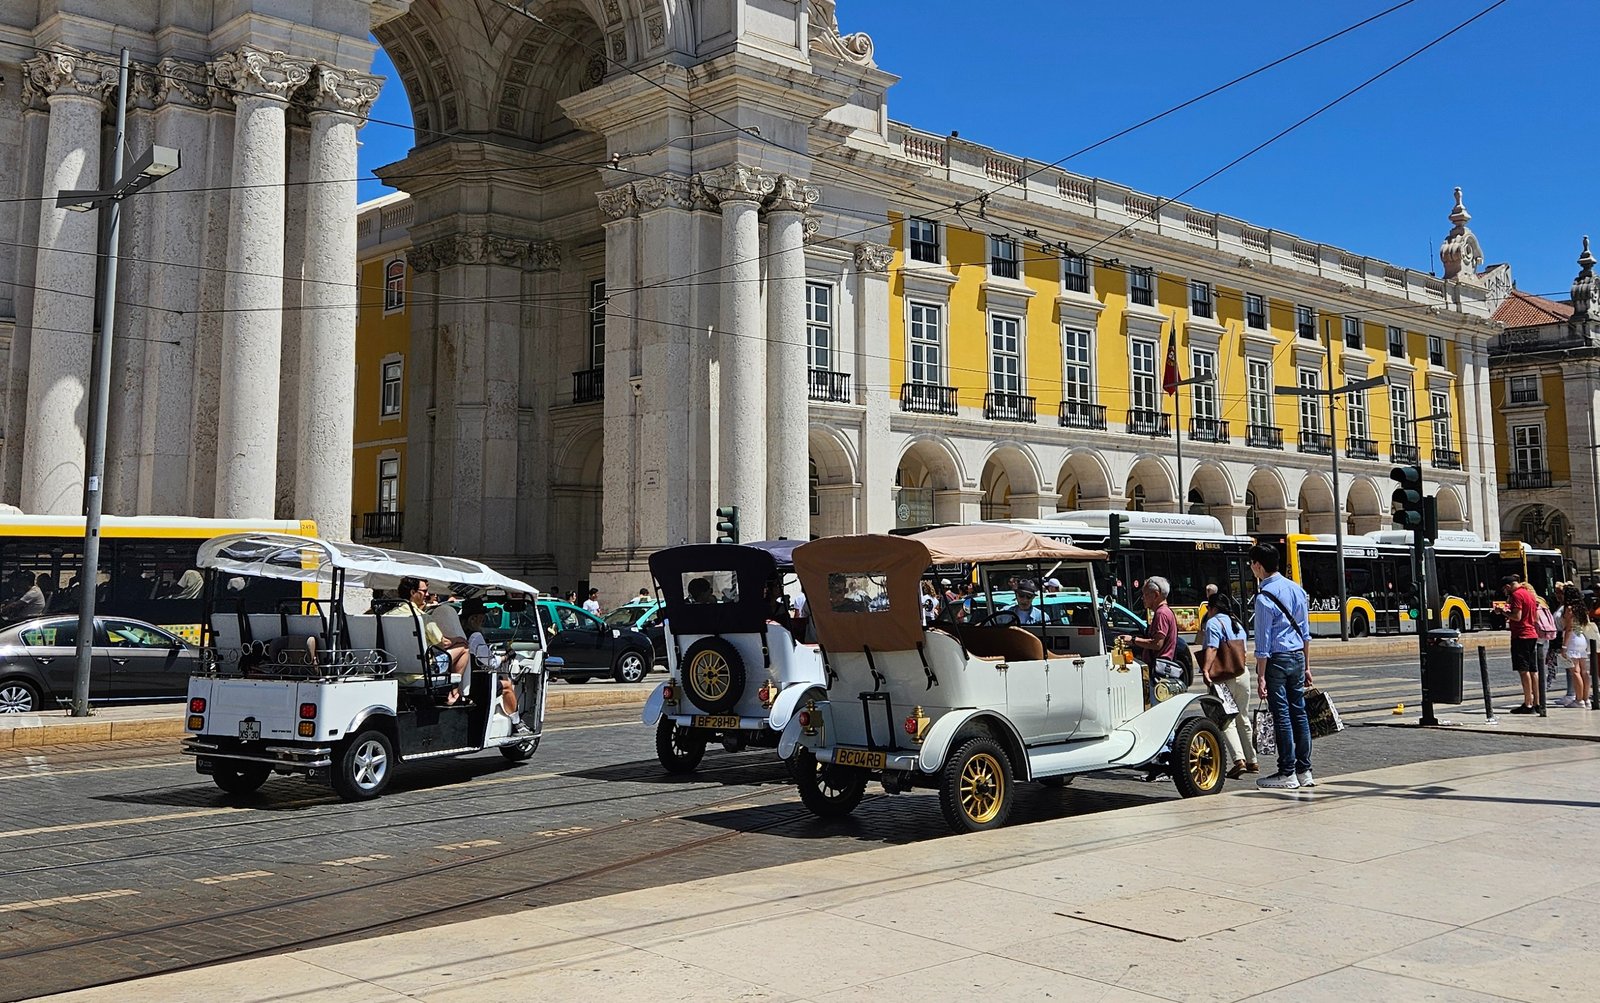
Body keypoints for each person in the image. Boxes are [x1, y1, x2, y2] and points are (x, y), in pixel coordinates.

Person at [1250, 543, 1314, 790]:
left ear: (1258, 565)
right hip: (1298, 656)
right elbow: (1306, 633)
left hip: (1277, 659)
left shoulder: (1264, 597)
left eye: (1252, 565)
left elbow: (1263, 641)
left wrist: (1261, 675)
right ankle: (1304, 770)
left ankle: (1286, 771)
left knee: (1283, 715)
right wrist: (1307, 665)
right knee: (1299, 712)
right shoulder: (1297, 590)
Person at [1199, 593, 1257, 779]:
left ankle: (1238, 760)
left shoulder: (1213, 623)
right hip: (1242, 674)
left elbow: (1212, 648)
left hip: (1223, 677)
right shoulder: (1237, 624)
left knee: (1225, 719)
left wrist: (1206, 670)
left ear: (1213, 608)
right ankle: (1252, 760)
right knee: (1243, 717)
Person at [461, 599, 531, 734]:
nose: (483, 621)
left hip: (465, 679)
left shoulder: (461, 633)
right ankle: (518, 724)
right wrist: (507, 657)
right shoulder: (475, 636)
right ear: (473, 619)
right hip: (476, 683)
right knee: (507, 686)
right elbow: (491, 663)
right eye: (481, 618)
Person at [1503, 574, 1542, 714]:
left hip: (1521, 635)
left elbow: (1517, 616)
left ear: (1508, 586)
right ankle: (1537, 702)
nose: (1505, 592)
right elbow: (1536, 617)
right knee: (1533, 670)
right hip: (1532, 634)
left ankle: (1528, 703)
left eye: (1504, 589)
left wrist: (1503, 612)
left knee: (1523, 670)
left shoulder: (1516, 595)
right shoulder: (1529, 594)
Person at [1131, 577, 1177, 672]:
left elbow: (1157, 644)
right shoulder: (1164, 611)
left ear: (1156, 595)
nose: (1142, 598)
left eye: (1145, 594)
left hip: (1158, 669)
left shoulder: (1161, 613)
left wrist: (1133, 640)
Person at [1558, 583, 1592, 708]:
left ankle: (1579, 700)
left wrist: (1564, 647)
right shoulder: (1582, 608)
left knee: (1575, 671)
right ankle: (1586, 698)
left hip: (1572, 639)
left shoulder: (1569, 608)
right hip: (1581, 638)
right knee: (1584, 671)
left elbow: (1568, 628)